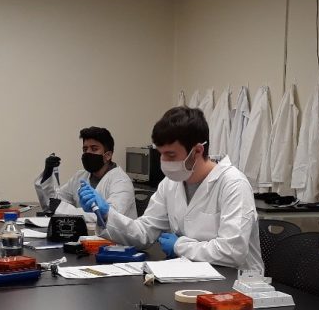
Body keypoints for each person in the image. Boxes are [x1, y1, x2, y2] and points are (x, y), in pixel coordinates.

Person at [78, 106, 263, 272]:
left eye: (171, 154)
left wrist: (180, 246)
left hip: (236, 287)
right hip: (189, 277)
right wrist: (106, 214)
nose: (164, 162)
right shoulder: (171, 183)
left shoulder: (233, 184)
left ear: (197, 151)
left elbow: (232, 252)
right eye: (161, 154)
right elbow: (144, 233)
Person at [34, 126, 137, 223]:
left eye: (94, 149)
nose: (88, 153)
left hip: (116, 241)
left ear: (108, 155)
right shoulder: (80, 176)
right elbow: (53, 204)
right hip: (86, 237)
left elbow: (110, 216)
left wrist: (63, 209)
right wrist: (47, 175)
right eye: (85, 149)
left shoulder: (121, 182)